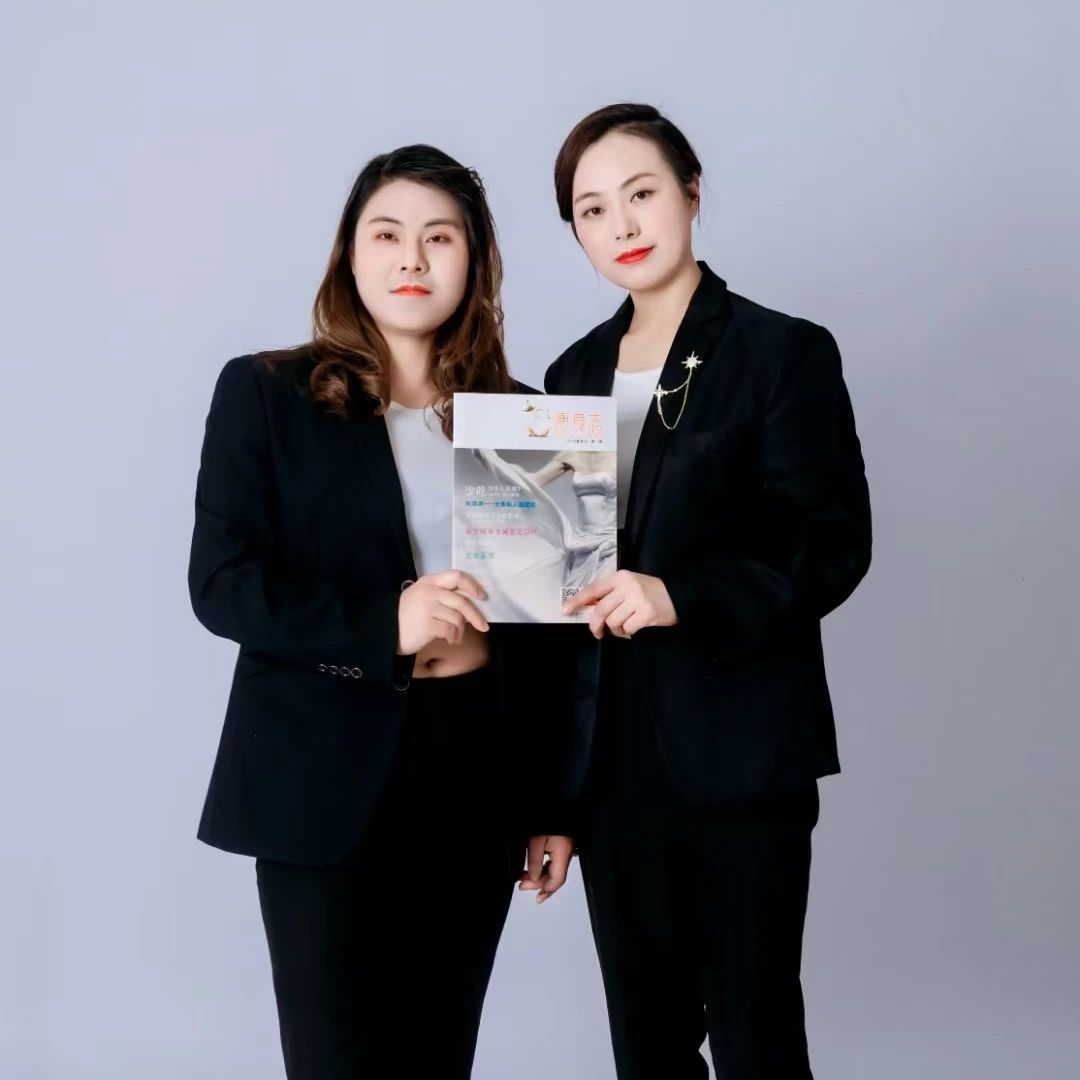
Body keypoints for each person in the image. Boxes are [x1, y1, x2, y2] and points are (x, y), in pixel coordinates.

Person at [188, 144, 573, 1079]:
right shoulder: (267, 393)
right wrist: (383, 624)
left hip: (474, 764)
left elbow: (553, 639)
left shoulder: (524, 419)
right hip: (320, 762)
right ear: (350, 255)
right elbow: (221, 582)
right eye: (387, 235)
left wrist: (554, 803)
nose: (412, 259)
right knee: (334, 1059)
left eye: (439, 238)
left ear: (473, 262)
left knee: (439, 1053)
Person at [537, 103, 873, 1079]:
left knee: (755, 1035)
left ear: (690, 192)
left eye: (641, 193)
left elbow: (831, 545)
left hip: (741, 753)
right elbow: (555, 599)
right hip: (612, 769)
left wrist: (678, 594)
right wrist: (551, 795)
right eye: (592, 210)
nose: (623, 225)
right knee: (645, 1045)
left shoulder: (781, 351)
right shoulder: (568, 375)